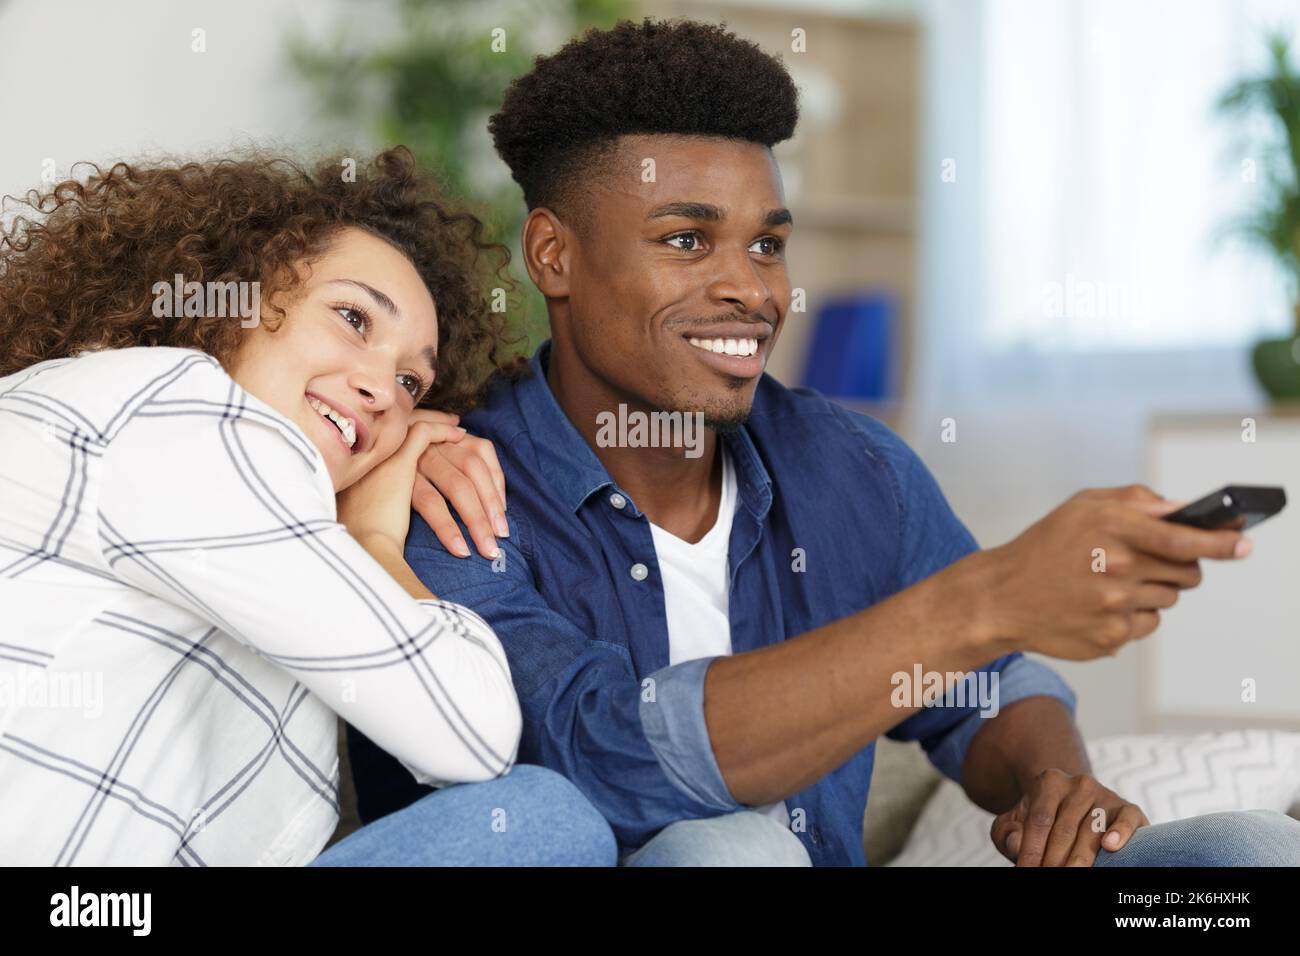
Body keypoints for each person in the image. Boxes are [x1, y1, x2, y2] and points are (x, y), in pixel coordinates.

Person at [348, 20, 1300, 867]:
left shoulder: (852, 467)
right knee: (727, 850)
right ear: (553, 255)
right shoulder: (445, 487)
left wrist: (1052, 783)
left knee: (1250, 850)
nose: (750, 291)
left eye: (767, 245)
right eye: (686, 241)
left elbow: (989, 683)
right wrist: (984, 597)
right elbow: (597, 754)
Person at [0, 147, 615, 866]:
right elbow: (471, 733)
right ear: (234, 294)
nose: (383, 390)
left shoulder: (264, 542)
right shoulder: (177, 410)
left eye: (413, 384)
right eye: (353, 318)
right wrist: (375, 538)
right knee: (543, 822)